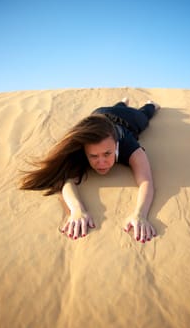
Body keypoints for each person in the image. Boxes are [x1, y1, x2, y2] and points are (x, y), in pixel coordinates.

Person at [20, 97, 160, 243]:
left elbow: (146, 181)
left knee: (145, 115)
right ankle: (121, 102)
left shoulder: (128, 145)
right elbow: (67, 180)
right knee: (114, 108)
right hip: (99, 115)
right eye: (93, 156)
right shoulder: (83, 145)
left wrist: (140, 215)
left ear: (116, 145)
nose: (101, 163)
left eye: (107, 154)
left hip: (127, 119)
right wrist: (77, 210)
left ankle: (147, 104)